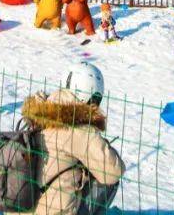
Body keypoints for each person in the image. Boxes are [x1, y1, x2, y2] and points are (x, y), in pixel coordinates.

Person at [21, 62, 124, 215]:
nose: (96, 104)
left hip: (20, 208)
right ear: (87, 95)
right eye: (96, 98)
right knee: (108, 179)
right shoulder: (78, 128)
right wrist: (101, 144)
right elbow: (114, 171)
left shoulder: (42, 109)